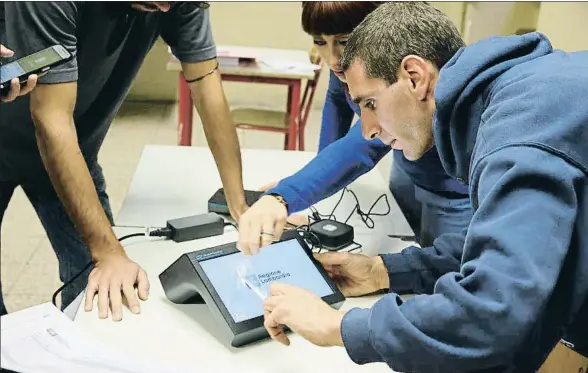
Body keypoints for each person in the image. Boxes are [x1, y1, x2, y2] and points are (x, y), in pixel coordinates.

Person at [261, 2, 588, 372]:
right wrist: (384, 271)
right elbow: (499, 244)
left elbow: (492, 312)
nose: (368, 129)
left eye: (370, 103)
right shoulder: (510, 97)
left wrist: (337, 326)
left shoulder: (520, 136)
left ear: (415, 77)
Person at [0, 2, 247, 320]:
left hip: (74, 152)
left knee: (100, 292)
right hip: (35, 135)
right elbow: (51, 120)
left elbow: (206, 83)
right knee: (105, 261)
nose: (165, 6)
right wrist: (107, 252)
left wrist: (238, 203)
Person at [239, 1, 473, 254]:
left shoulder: (383, 66)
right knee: (401, 241)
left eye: (344, 41)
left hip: (453, 191)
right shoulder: (349, 66)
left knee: (445, 268)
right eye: (320, 42)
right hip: (408, 168)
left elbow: (365, 144)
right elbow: (336, 101)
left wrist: (287, 195)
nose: (333, 59)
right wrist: (317, 178)